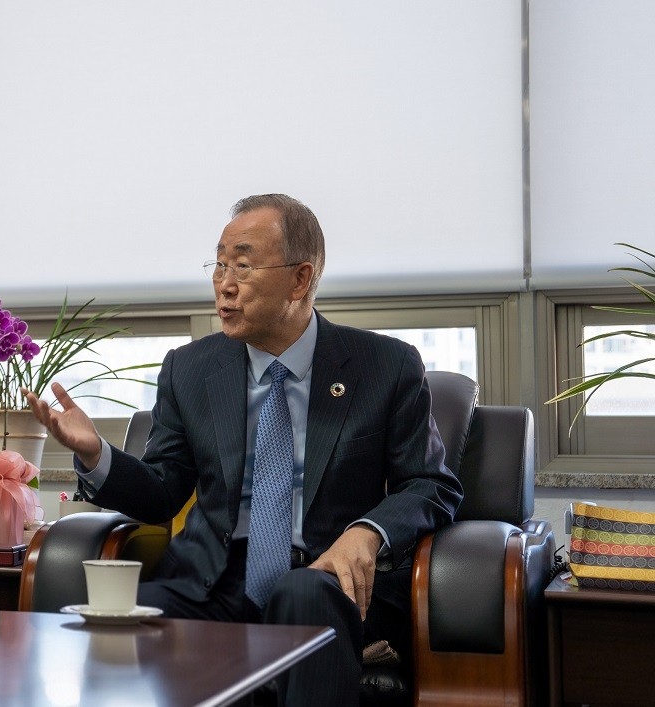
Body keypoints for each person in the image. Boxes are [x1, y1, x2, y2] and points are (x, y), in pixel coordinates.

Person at [24, 194, 463, 706]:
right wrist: (96, 454)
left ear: (300, 279)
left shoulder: (384, 366)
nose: (224, 284)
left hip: (321, 575)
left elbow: (430, 484)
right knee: (120, 622)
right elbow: (163, 490)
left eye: (244, 266)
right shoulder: (190, 369)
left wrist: (365, 533)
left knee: (303, 594)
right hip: (210, 581)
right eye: (219, 265)